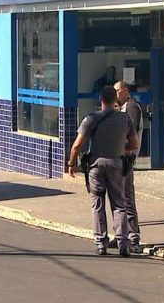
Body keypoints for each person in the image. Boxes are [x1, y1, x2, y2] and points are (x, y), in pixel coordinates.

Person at [67, 86, 139, 257]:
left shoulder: (91, 119)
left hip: (96, 165)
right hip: (117, 163)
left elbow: (77, 144)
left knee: (97, 203)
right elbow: (134, 144)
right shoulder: (125, 119)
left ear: (100, 99)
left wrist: (71, 163)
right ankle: (123, 243)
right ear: (115, 100)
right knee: (119, 204)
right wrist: (121, 148)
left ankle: (101, 243)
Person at [113, 81, 143, 251]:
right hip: (117, 157)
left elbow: (128, 132)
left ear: (125, 91)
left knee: (126, 199)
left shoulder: (131, 107)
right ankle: (120, 234)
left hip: (126, 157)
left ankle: (133, 236)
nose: (115, 94)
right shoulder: (121, 107)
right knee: (118, 199)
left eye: (117, 91)